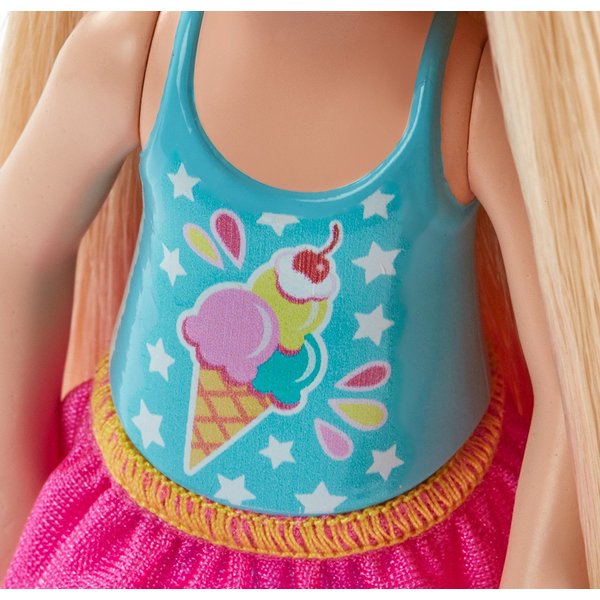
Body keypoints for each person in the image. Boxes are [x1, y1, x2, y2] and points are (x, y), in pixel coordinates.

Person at [0, 10, 596, 588]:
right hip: (136, 544)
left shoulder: (470, 90)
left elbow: (574, 367)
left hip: (416, 558)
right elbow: (20, 250)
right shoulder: (141, 46)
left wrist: (541, 572)